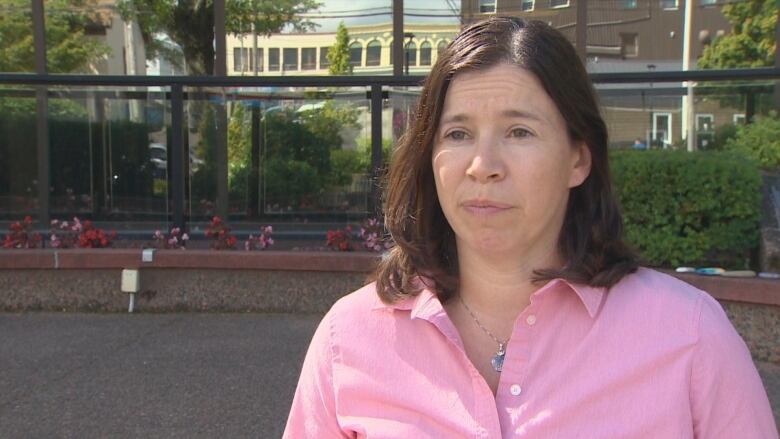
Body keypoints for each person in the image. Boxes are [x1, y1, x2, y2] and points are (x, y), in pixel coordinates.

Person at [283, 17, 777, 438]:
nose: (484, 164)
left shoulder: (688, 336)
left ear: (578, 159)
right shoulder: (349, 339)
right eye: (457, 133)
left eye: (519, 132)